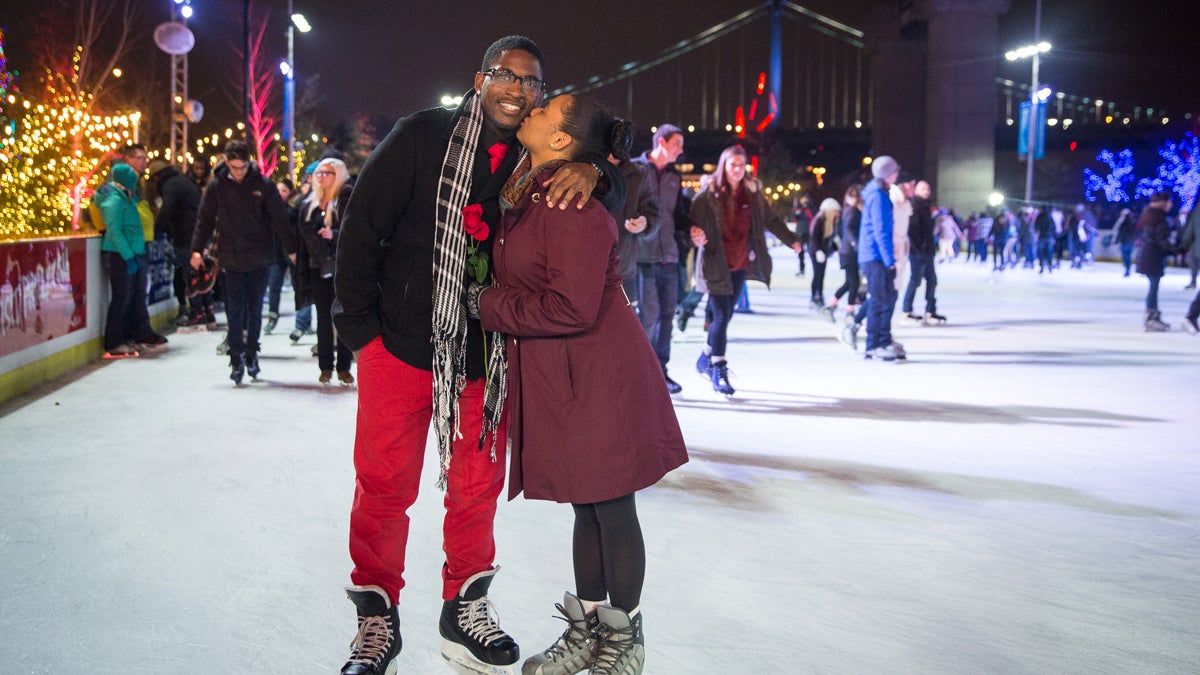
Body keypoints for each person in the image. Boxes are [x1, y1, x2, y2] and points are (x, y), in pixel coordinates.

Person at [331, 36, 625, 675]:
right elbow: (360, 228)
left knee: (476, 488)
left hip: (487, 356)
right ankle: (376, 616)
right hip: (401, 346)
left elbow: (612, 201)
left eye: (531, 82)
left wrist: (599, 170)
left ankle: (464, 610)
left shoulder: (539, 162)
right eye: (506, 75)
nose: (518, 90)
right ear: (480, 79)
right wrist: (359, 334)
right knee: (383, 483)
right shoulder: (422, 135)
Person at [469, 91, 688, 675]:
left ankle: (626, 638)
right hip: (568, 374)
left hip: (598, 375)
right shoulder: (539, 188)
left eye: (545, 110)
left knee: (611, 504)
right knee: (586, 507)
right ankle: (590, 629)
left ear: (563, 140)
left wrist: (484, 303)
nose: (532, 108)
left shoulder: (569, 204)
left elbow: (569, 308)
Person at [687, 145, 802, 395]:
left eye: (742, 165)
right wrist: (692, 234)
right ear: (724, 166)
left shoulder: (752, 195)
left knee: (726, 315)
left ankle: (705, 356)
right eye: (733, 165)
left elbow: (771, 219)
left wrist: (791, 239)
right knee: (719, 317)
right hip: (715, 263)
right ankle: (718, 367)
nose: (738, 170)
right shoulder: (708, 194)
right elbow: (689, 221)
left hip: (740, 263)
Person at [190, 140, 297, 384]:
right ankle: (236, 356)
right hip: (231, 256)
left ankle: (252, 353)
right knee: (234, 310)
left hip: (260, 257)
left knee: (255, 309)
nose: (239, 172)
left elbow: (280, 219)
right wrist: (196, 249)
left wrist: (291, 249)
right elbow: (204, 219)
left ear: (250, 162)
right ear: (227, 163)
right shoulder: (217, 187)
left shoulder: (264, 185)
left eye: (243, 167)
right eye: (234, 167)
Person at [631, 124, 687, 394]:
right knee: (649, 316)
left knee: (667, 316)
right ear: (661, 142)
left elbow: (680, 217)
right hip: (644, 257)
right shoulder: (636, 169)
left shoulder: (675, 177)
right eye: (677, 143)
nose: (681, 150)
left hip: (670, 257)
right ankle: (643, 373)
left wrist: (691, 233)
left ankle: (661, 370)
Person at [300, 158, 355, 384]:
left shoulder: (346, 197)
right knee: (322, 317)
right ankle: (325, 367)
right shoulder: (310, 203)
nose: (321, 176)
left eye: (327, 173)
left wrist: (333, 233)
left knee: (341, 317)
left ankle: (344, 367)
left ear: (338, 174)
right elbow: (303, 231)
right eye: (319, 173)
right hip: (317, 267)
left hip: (342, 267)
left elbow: (353, 229)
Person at [98, 164, 149, 358]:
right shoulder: (114, 201)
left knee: (128, 299)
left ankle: (125, 337)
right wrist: (128, 256)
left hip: (131, 253)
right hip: (119, 255)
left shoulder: (125, 198)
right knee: (121, 298)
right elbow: (115, 230)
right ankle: (114, 342)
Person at [148, 159, 205, 327]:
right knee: (191, 272)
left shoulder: (171, 185)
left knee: (188, 273)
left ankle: (196, 311)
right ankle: (200, 310)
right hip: (192, 232)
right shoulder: (182, 180)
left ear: (157, 177)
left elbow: (167, 210)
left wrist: (157, 229)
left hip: (184, 233)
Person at [859, 155, 905, 361]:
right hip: (874, 256)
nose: (897, 174)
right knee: (879, 301)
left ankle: (883, 340)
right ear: (888, 173)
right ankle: (873, 345)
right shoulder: (878, 195)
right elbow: (881, 231)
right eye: (895, 171)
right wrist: (889, 260)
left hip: (876, 255)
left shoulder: (880, 193)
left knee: (885, 298)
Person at [607, 152, 660, 306]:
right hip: (585, 270)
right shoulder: (583, 170)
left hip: (624, 269)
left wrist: (645, 224)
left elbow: (653, 214)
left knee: (626, 326)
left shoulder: (640, 173)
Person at [901, 180, 942, 324]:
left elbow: (929, 230)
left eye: (928, 188)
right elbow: (912, 231)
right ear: (917, 190)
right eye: (923, 189)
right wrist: (918, 249)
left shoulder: (928, 207)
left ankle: (930, 311)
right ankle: (906, 310)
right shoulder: (914, 206)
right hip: (917, 251)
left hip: (928, 250)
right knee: (915, 280)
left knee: (932, 280)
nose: (927, 191)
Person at [821, 184, 862, 322]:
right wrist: (856, 244)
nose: (855, 199)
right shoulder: (852, 211)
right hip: (849, 252)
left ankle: (832, 305)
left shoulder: (851, 210)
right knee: (854, 282)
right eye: (853, 196)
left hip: (848, 252)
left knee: (850, 282)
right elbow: (849, 229)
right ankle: (849, 311)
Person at [1135, 191, 1175, 331]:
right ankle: (1151, 318)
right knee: (1153, 287)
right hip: (1152, 257)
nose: (1171, 204)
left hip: (1150, 256)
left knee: (1154, 287)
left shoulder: (1149, 215)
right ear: (1163, 203)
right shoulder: (1157, 218)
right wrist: (1175, 249)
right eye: (1169, 201)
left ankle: (1153, 316)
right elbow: (1160, 240)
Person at [807, 197, 839, 309]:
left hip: (823, 251)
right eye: (835, 210)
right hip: (815, 251)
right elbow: (814, 238)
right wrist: (818, 251)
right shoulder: (819, 220)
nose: (836, 213)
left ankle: (819, 295)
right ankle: (815, 296)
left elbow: (829, 239)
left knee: (821, 274)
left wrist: (836, 248)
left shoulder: (831, 222)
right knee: (817, 274)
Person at [1110, 208, 1137, 277]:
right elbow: (1136, 232)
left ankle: (1127, 268)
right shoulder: (1133, 222)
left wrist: (1116, 241)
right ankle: (1128, 268)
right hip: (1130, 242)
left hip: (1125, 242)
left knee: (1126, 256)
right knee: (1128, 256)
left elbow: (1120, 232)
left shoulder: (1123, 222)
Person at [1180, 204, 1200, 289]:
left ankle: (1193, 281)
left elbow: (1191, 227)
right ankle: (1193, 281)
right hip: (1196, 243)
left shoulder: (1197, 210)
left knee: (1194, 262)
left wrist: (1185, 243)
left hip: (1196, 244)